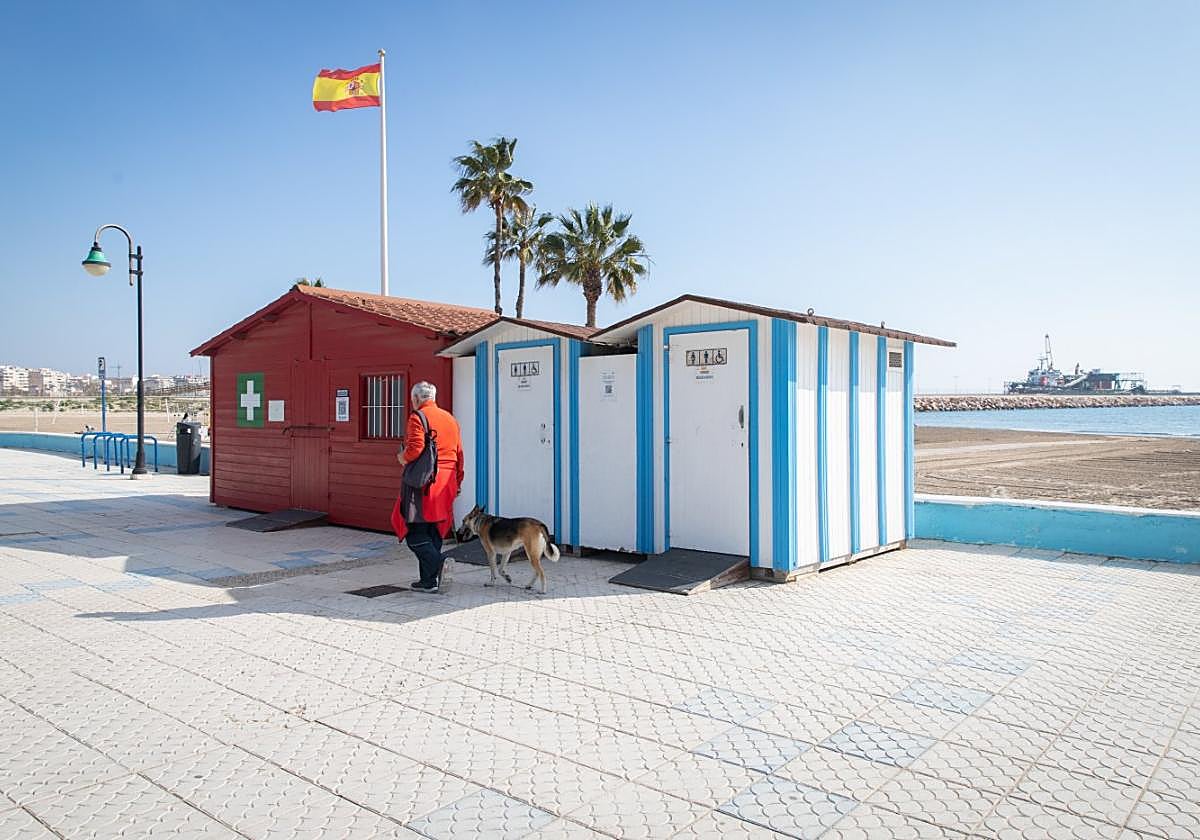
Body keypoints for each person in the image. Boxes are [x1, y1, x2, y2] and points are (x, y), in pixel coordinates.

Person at [390, 381, 463, 592]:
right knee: (434, 530)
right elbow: (459, 453)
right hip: (447, 480)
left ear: (415, 399)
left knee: (415, 530)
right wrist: (458, 481)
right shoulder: (450, 419)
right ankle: (428, 581)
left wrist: (403, 458)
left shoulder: (417, 417)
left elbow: (415, 448)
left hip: (424, 482)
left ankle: (440, 563)